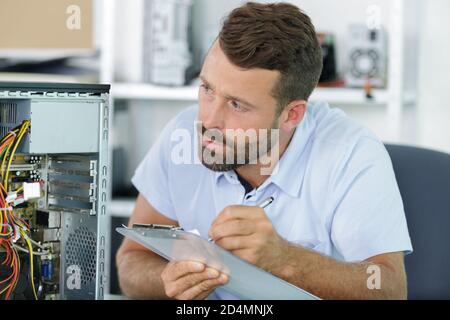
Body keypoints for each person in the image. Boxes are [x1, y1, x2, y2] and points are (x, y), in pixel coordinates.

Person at [116, 2, 412, 300]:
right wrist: (165, 280)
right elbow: (131, 261)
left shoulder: (351, 153)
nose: (209, 121)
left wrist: (285, 260)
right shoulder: (181, 134)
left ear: (291, 115)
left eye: (237, 105)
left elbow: (389, 289)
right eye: (207, 89)